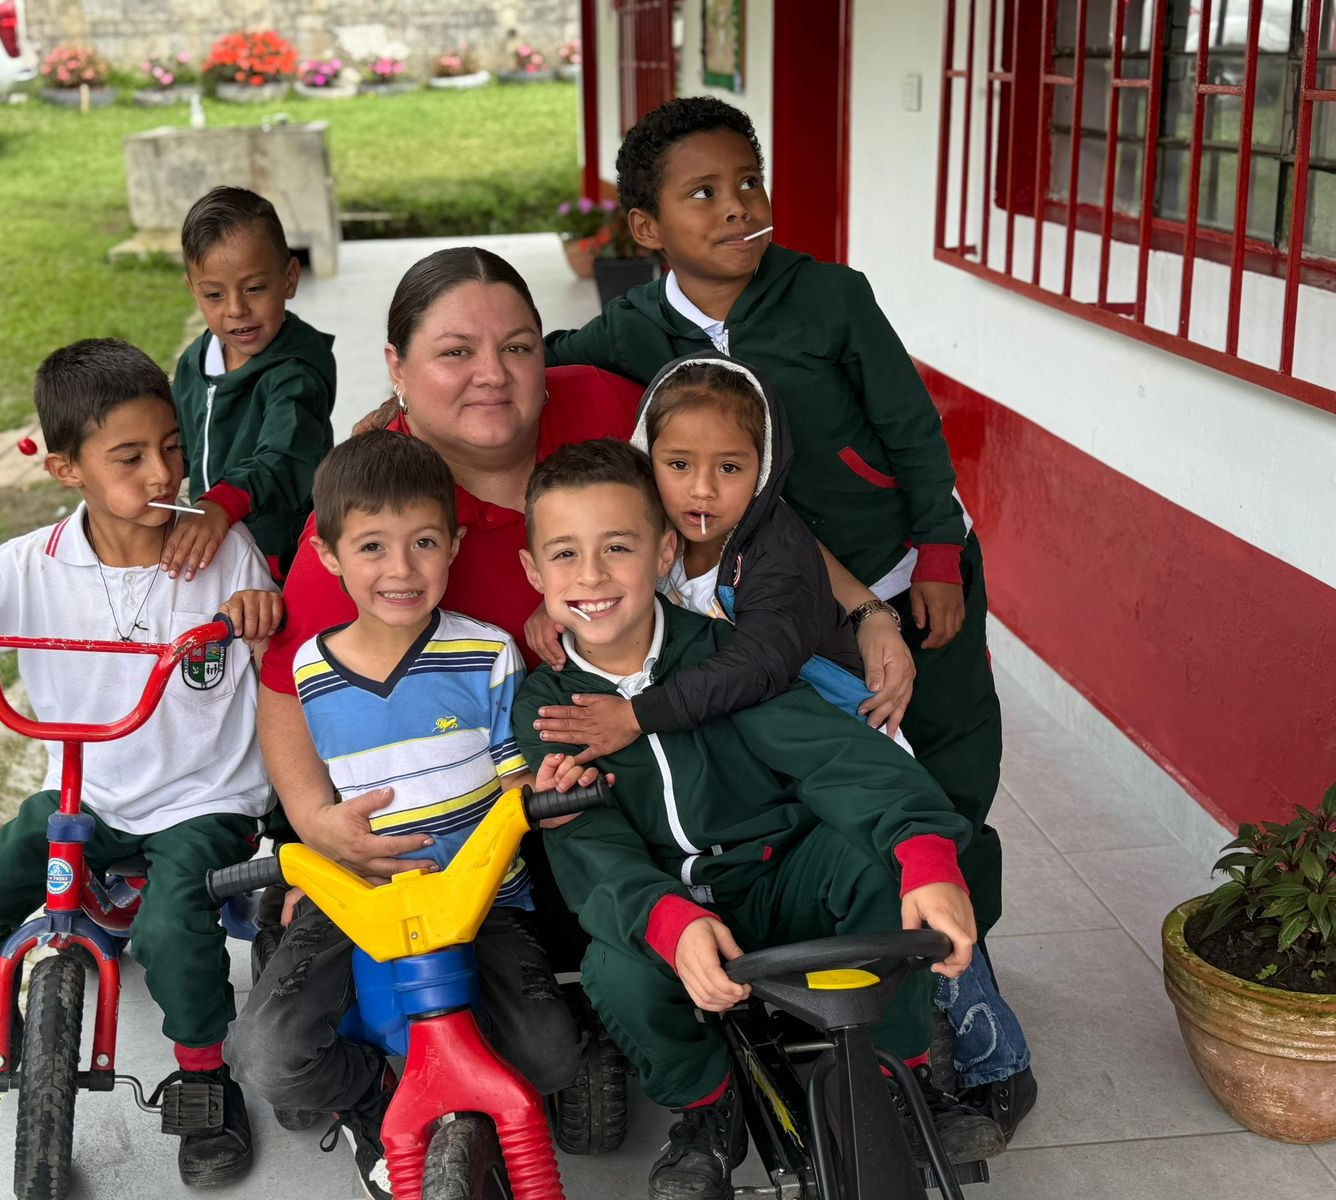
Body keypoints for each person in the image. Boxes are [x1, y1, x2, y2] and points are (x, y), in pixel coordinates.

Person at [542, 97, 1030, 1128]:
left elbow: (908, 428)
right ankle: (840, 991)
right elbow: (538, 359)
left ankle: (969, 1016)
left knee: (936, 789)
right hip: (785, 602)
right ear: (644, 229)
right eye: (702, 194)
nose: (737, 209)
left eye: (748, 182)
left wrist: (932, 561)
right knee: (828, 787)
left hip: (899, 581)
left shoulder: (830, 296)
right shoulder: (637, 328)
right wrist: (399, 405)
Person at [258, 247, 914, 901]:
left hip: (701, 737)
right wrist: (317, 824)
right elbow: (285, 685)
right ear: (396, 367)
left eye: (517, 348)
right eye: (455, 352)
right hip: (531, 822)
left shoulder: (602, 408)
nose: (491, 374)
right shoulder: (375, 513)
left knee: (865, 811)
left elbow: (735, 514)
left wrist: (867, 611)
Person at [511, 439, 1005, 1200]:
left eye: (619, 547)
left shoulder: (724, 658)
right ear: (534, 572)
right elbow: (591, 846)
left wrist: (926, 853)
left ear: (664, 549)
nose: (593, 575)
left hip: (778, 884)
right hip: (669, 909)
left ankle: (894, 1078)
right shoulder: (546, 704)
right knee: (613, 964)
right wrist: (668, 920)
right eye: (566, 554)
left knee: (881, 862)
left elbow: (838, 758)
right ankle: (709, 1113)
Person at [0, 339, 281, 1188]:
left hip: (202, 798)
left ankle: (205, 1079)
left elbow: (279, 661)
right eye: (129, 457)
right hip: (88, 790)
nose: (162, 474)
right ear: (66, 469)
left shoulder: (217, 550)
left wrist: (258, 611)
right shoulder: (32, 564)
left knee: (174, 938)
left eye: (170, 447)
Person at [226, 431, 582, 1199]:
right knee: (263, 1057)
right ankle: (376, 1103)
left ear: (453, 545)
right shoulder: (310, 670)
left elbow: (516, 780)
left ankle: (472, 1080)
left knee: (554, 1056)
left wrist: (546, 797)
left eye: (424, 542)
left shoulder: (487, 654)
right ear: (328, 555)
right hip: (358, 902)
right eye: (373, 547)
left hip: (479, 901)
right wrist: (311, 851)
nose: (400, 569)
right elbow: (311, 803)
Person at [526, 351, 895, 755]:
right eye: (679, 464)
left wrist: (636, 716)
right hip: (732, 729)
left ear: (766, 466)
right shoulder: (653, 537)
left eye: (729, 468)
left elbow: (763, 661)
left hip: (837, 734)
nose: (703, 490)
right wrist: (566, 605)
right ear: (648, 458)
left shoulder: (777, 554)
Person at [160, 186, 338, 585]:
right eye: (214, 295)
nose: (237, 309)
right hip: (217, 552)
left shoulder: (296, 373)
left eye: (254, 288)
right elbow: (179, 443)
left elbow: (285, 456)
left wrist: (222, 502)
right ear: (192, 290)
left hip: (281, 563)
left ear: (289, 279)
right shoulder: (195, 360)